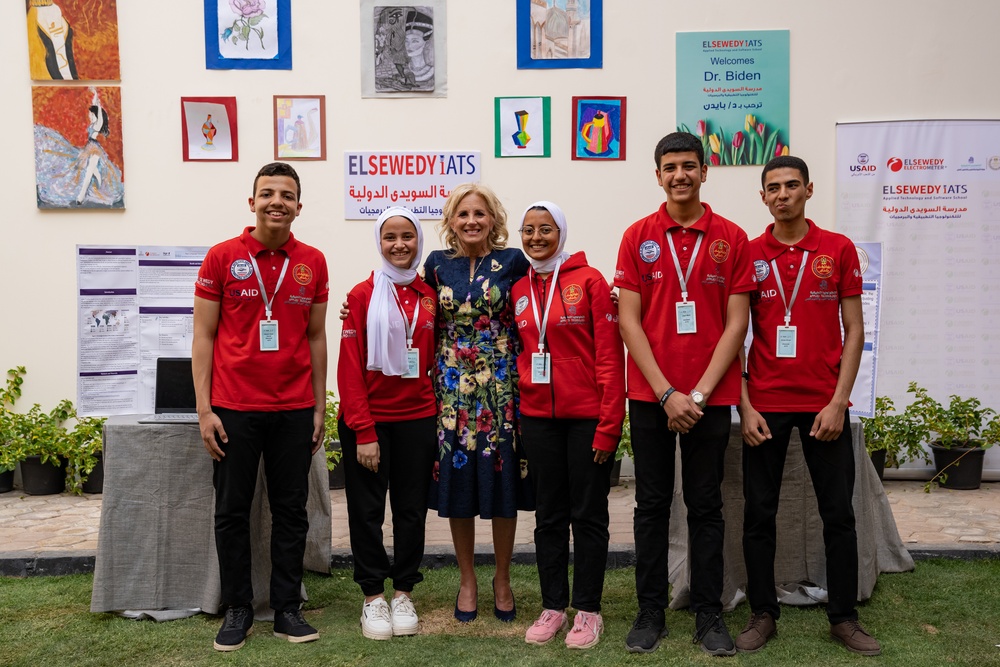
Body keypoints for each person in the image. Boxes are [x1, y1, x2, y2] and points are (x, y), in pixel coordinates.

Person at [615, 131, 752, 656]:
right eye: (670, 167)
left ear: (704, 170)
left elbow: (735, 325)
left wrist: (695, 393)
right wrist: (668, 391)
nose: (680, 175)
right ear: (658, 175)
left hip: (710, 398)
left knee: (706, 506)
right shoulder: (637, 236)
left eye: (688, 166)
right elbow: (629, 322)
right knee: (650, 505)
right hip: (651, 395)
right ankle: (649, 611)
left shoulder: (731, 237)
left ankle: (708, 612)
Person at [735, 156, 878, 656]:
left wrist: (840, 401)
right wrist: (745, 406)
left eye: (791, 185)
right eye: (772, 187)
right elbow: (735, 336)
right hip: (766, 405)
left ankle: (843, 617)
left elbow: (855, 328)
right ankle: (762, 613)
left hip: (824, 404)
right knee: (759, 514)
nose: (782, 194)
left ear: (809, 190)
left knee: (838, 514)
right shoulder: (749, 254)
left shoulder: (837, 249)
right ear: (763, 197)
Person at [192, 162, 328, 652]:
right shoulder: (222, 257)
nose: (277, 201)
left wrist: (317, 406)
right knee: (232, 511)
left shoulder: (313, 261)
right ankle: (238, 608)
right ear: (252, 203)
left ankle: (287, 608)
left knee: (292, 511)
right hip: (233, 409)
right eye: (267, 193)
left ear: (298, 206)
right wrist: (205, 410)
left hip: (293, 409)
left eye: (286, 195)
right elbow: (203, 338)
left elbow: (316, 337)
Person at [511, 202, 625, 649]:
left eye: (546, 229)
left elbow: (609, 358)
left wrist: (609, 425)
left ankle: (589, 611)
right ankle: (554, 606)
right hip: (538, 420)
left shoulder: (590, 280)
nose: (536, 237)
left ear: (561, 231)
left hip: (586, 419)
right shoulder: (519, 287)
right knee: (549, 517)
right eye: (528, 230)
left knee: (589, 516)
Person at [424, 183, 531, 623]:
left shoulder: (514, 261)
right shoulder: (435, 264)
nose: (471, 221)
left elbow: (540, 299)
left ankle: (501, 578)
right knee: (459, 481)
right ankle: (467, 579)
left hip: (501, 388)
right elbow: (406, 301)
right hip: (451, 390)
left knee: (502, 480)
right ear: (450, 220)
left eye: (480, 214)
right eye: (463, 214)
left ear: (494, 219)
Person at [337, 207, 437, 640]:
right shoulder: (360, 296)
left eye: (408, 237)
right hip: (370, 422)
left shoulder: (432, 295)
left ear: (419, 241)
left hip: (418, 418)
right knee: (367, 511)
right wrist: (363, 430)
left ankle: (404, 593)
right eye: (390, 237)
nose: (399, 245)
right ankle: (373, 597)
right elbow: (349, 367)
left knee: (412, 511)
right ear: (379, 242)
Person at [34, 87, 125, 209]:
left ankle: (82, 195)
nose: (90, 116)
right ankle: (88, 189)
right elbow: (95, 106)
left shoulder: (97, 125)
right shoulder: (93, 123)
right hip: (88, 147)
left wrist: (97, 96)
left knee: (90, 169)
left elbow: (98, 111)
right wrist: (94, 94)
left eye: (92, 114)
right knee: (78, 165)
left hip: (93, 148)